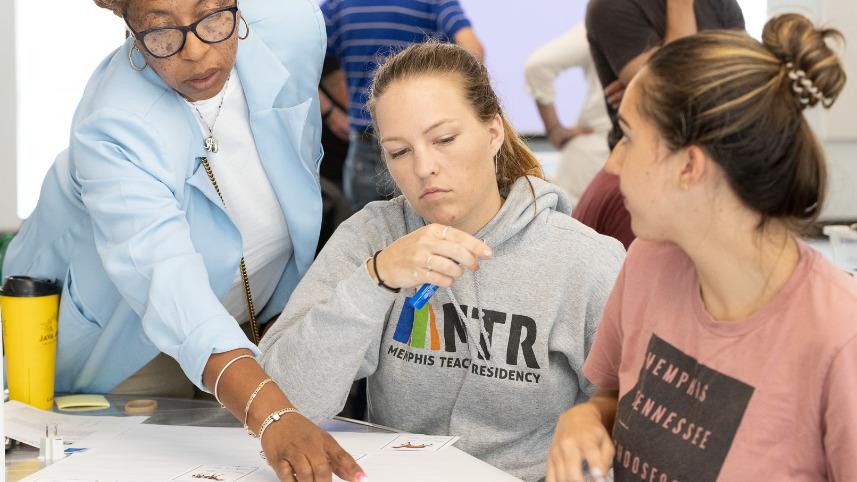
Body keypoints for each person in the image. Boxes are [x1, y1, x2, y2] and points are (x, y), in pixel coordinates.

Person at [2, 1, 365, 480]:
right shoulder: (114, 125)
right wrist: (270, 410)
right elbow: (166, 283)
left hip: (251, 315)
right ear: (127, 24)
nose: (195, 50)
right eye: (159, 30)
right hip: (130, 340)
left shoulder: (290, 25)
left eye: (214, 15)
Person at [260, 42, 625, 482]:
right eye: (399, 151)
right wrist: (376, 279)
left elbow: (625, 411)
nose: (424, 167)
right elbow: (284, 404)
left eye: (444, 139)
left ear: (493, 133)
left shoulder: (583, 259)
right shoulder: (371, 236)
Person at [547, 14, 854, 482]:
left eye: (627, 137)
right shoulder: (647, 262)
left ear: (689, 166)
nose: (614, 163)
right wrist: (582, 419)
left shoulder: (838, 337)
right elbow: (610, 397)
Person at [573, 0, 745, 248]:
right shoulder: (609, 6)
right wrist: (681, 8)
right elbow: (676, 93)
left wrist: (659, 80)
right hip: (649, 171)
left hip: (711, 171)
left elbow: (746, 80)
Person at [317, 0, 484, 212]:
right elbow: (473, 50)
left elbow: (297, 63)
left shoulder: (338, 5)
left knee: (368, 236)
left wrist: (330, 113)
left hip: (365, 143)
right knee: (434, 231)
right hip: (425, 145)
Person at [524, 22, 610, 206]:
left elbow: (538, 65)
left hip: (594, 157)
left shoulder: (611, 12)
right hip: (610, 155)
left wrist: (554, 129)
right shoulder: (678, 18)